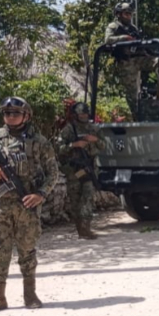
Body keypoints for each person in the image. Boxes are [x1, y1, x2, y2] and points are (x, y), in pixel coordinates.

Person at [0, 97, 59, 314]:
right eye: (6, 114)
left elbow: (53, 173)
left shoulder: (39, 142)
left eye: (15, 113)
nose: (10, 117)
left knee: (27, 250)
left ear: (26, 115)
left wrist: (41, 194)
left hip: (26, 205)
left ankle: (30, 293)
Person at [56, 101, 104, 239]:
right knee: (75, 200)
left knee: (88, 197)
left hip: (89, 168)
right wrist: (74, 145)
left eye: (85, 113)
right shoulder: (69, 129)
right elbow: (58, 148)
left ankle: (86, 228)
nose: (83, 115)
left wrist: (94, 140)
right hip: (73, 170)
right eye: (80, 113)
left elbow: (104, 145)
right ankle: (80, 229)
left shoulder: (94, 129)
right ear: (75, 114)